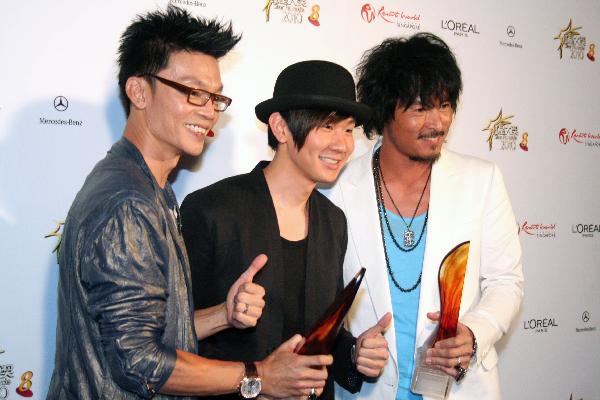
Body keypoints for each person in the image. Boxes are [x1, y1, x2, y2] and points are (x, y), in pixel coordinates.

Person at [47, 7, 334, 399]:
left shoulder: (149, 188)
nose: (209, 109)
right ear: (139, 91)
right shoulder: (127, 203)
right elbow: (139, 363)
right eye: (193, 92)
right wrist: (259, 375)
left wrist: (222, 315)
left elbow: (145, 333)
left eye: (215, 96)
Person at [180, 60, 391, 400]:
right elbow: (167, 336)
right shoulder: (212, 210)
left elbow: (320, 336)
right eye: (327, 126)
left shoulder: (333, 221)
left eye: (349, 130)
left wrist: (354, 353)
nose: (342, 144)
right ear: (280, 127)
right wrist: (224, 315)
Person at [329, 33, 524, 399]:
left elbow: (505, 282)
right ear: (384, 112)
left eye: (445, 105)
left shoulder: (481, 181)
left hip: (461, 389)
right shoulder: (337, 189)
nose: (438, 122)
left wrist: (473, 333)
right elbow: (322, 302)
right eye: (420, 109)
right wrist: (351, 350)